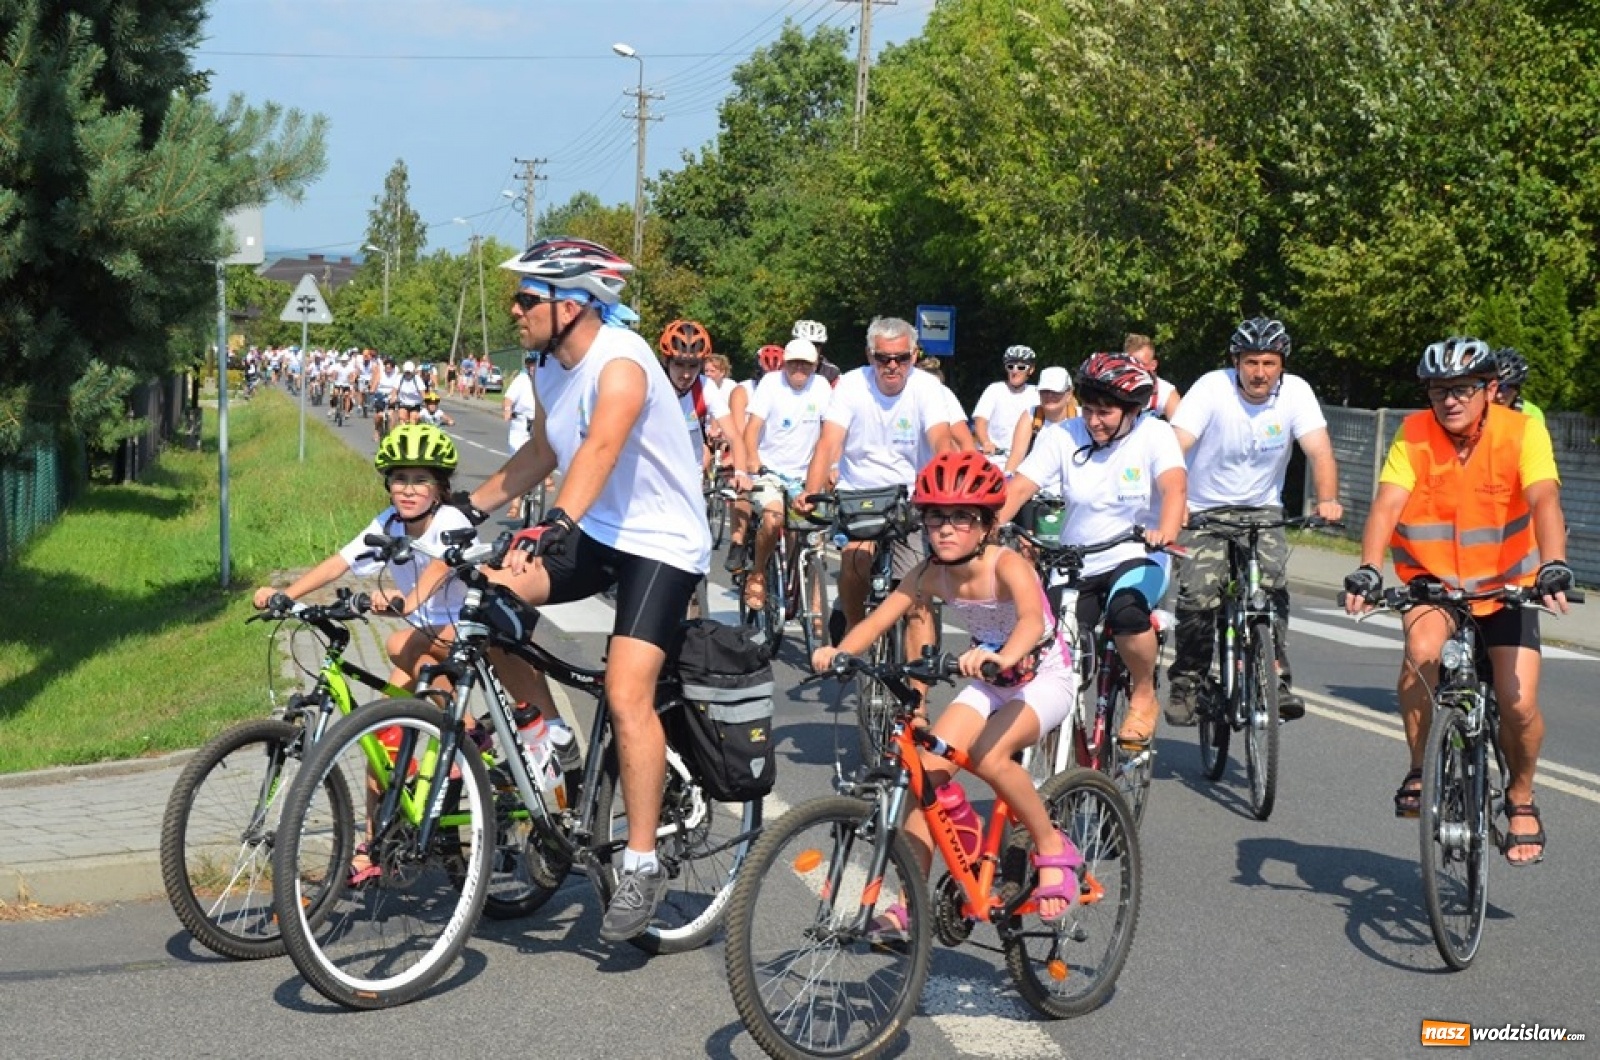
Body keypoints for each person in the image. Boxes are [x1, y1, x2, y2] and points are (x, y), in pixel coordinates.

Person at [464, 236, 711, 939]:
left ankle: (639, 862)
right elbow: (543, 451)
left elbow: (601, 445)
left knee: (625, 690)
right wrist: (467, 507)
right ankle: (551, 742)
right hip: (602, 532)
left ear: (569, 305)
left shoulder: (623, 361)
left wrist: (557, 522)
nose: (514, 309)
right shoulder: (547, 368)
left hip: (660, 544)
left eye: (527, 299)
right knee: (489, 601)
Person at [813, 451, 1083, 924]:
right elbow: (880, 618)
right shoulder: (929, 573)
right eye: (936, 518)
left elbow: (1030, 620)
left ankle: (1051, 845)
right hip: (989, 680)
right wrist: (839, 652)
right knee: (923, 778)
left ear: (985, 526)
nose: (946, 529)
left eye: (962, 518)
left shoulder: (1006, 564)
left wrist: (1004, 656)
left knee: (988, 757)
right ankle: (909, 906)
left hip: (1045, 675)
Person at [1343, 337, 1571, 866]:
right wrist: (1368, 568)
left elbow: (1544, 498)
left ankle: (1520, 796)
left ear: (1490, 390)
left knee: (1518, 704)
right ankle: (1422, 768)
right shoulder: (1414, 434)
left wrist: (1553, 563)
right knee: (1420, 654)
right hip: (1433, 582)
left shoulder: (1522, 432)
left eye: (1462, 389)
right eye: (1438, 390)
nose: (1449, 400)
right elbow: (1387, 505)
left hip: (1508, 585)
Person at [998, 351, 1187, 747]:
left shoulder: (1155, 435)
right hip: (1076, 560)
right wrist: (987, 530)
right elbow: (1018, 489)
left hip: (1135, 554)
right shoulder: (1062, 435)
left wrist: (1165, 531)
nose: (1094, 421)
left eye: (1105, 412)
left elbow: (1173, 488)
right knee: (1045, 642)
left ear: (1132, 410)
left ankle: (1142, 694)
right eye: (1089, 410)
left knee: (1127, 611)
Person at [1164, 317, 1343, 725]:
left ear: (1281, 364)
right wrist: (1176, 502)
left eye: (1268, 362)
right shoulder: (1211, 388)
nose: (1260, 372)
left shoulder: (1296, 393)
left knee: (1273, 587)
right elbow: (1176, 446)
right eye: (1250, 362)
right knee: (1199, 595)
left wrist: (1328, 499)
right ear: (1235, 362)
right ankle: (1188, 681)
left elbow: (1319, 451)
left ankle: (1275, 678)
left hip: (1263, 510)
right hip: (1204, 509)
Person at [800, 315, 956, 660]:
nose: (892, 366)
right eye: (883, 358)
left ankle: (917, 708)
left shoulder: (927, 388)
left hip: (911, 496)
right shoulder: (852, 385)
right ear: (870, 356)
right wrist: (811, 494)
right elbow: (828, 444)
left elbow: (942, 440)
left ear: (913, 356)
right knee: (855, 559)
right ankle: (857, 640)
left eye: (901, 358)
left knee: (917, 599)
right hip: (861, 495)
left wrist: (945, 490)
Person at [739, 337, 831, 610]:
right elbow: (753, 427)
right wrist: (753, 459)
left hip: (807, 475)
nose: (799, 369)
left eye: (805, 364)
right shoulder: (771, 384)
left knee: (813, 539)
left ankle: (811, 600)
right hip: (771, 471)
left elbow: (830, 433)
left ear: (815, 366)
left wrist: (832, 467)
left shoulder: (822, 387)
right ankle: (757, 573)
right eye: (794, 364)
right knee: (773, 518)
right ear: (785, 365)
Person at [725, 343, 787, 574]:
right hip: (750, 454)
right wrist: (742, 461)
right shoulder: (743, 391)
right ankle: (738, 541)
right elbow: (739, 431)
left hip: (778, 461)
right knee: (743, 483)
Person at [973, 345, 1040, 465]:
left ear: (1031, 370)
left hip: (1025, 461)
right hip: (994, 459)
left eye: (1021, 367)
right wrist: (986, 443)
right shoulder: (994, 390)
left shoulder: (1036, 393)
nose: (1015, 371)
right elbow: (980, 421)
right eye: (1010, 366)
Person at [1005, 365, 1078, 473]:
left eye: (1055, 391)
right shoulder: (1031, 415)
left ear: (1069, 394)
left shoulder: (1082, 417)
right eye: (1044, 391)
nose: (1049, 395)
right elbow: (1016, 456)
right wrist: (1007, 478)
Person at [502, 350, 540, 520]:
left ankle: (546, 480)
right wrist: (508, 410)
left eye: (536, 364)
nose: (534, 367)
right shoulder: (521, 380)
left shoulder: (547, 380)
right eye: (531, 364)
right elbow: (508, 398)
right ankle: (515, 504)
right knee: (518, 463)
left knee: (546, 452)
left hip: (540, 422)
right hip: (521, 424)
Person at [1123, 333, 1181, 419]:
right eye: (1131, 365)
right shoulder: (1115, 389)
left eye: (1141, 365)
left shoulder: (1166, 392)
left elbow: (1180, 429)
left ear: (1153, 365)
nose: (1136, 370)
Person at [1492, 347, 1545, 424]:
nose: (1498, 395)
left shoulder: (1531, 414)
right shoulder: (1480, 410)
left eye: (1505, 388)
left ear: (1516, 389)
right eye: (1494, 387)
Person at [793, 319, 840, 386]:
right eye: (805, 343)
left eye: (816, 344)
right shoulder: (781, 365)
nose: (810, 347)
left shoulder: (831, 372)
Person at [392, 360, 427, 425]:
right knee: (402, 418)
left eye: (409, 372)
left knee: (413, 419)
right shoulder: (400, 378)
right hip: (403, 403)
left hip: (415, 404)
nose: (408, 374)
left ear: (413, 371)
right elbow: (394, 390)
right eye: (406, 372)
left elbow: (423, 394)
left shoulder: (417, 379)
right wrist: (393, 398)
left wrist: (426, 403)